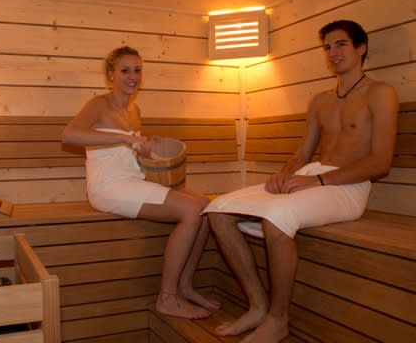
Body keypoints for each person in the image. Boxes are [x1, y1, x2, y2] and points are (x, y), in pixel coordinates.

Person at [204, 20, 398, 342]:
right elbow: (303, 153)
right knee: (218, 211)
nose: (333, 52)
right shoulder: (321, 101)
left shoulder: (381, 93)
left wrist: (320, 180)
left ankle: (278, 320)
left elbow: (380, 163)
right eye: (327, 47)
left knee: (276, 219)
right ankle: (257, 306)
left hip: (349, 187)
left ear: (361, 48)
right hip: (314, 177)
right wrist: (285, 174)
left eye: (341, 44)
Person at [61, 46, 220, 319]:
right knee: (191, 210)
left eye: (137, 70)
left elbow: (129, 152)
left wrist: (147, 146)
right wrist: (124, 138)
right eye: (125, 70)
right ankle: (167, 298)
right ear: (111, 74)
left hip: (135, 179)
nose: (132, 76)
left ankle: (185, 285)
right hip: (108, 186)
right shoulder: (99, 104)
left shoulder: (135, 109)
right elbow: (69, 135)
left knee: (205, 206)